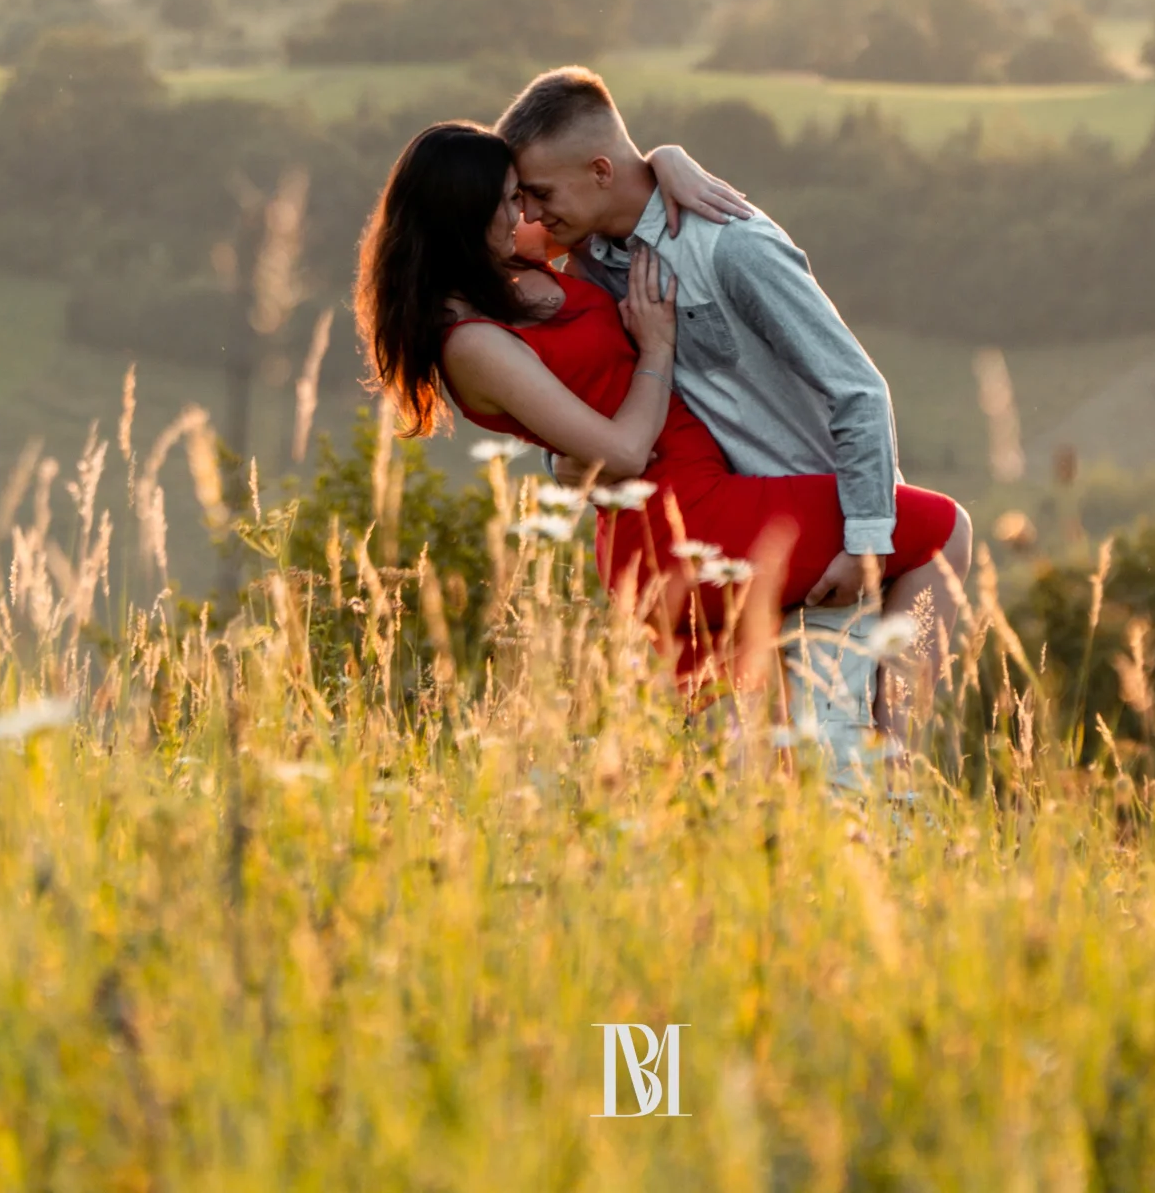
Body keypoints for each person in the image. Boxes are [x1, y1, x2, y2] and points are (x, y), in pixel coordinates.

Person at [355, 115, 969, 737]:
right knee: (944, 531)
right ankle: (898, 747)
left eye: (528, 195)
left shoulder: (514, 266)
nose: (527, 214)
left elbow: (608, 194)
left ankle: (871, 768)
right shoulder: (469, 343)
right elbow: (620, 452)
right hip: (682, 519)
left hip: (690, 505)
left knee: (770, 743)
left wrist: (666, 162)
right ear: (465, 213)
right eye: (512, 200)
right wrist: (656, 348)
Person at [494, 67, 971, 615]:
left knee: (881, 702)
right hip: (727, 557)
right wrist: (562, 465)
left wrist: (863, 545)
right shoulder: (587, 266)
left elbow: (859, 389)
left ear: (600, 170)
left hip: (828, 549)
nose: (530, 212)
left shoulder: (731, 244)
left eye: (540, 193)